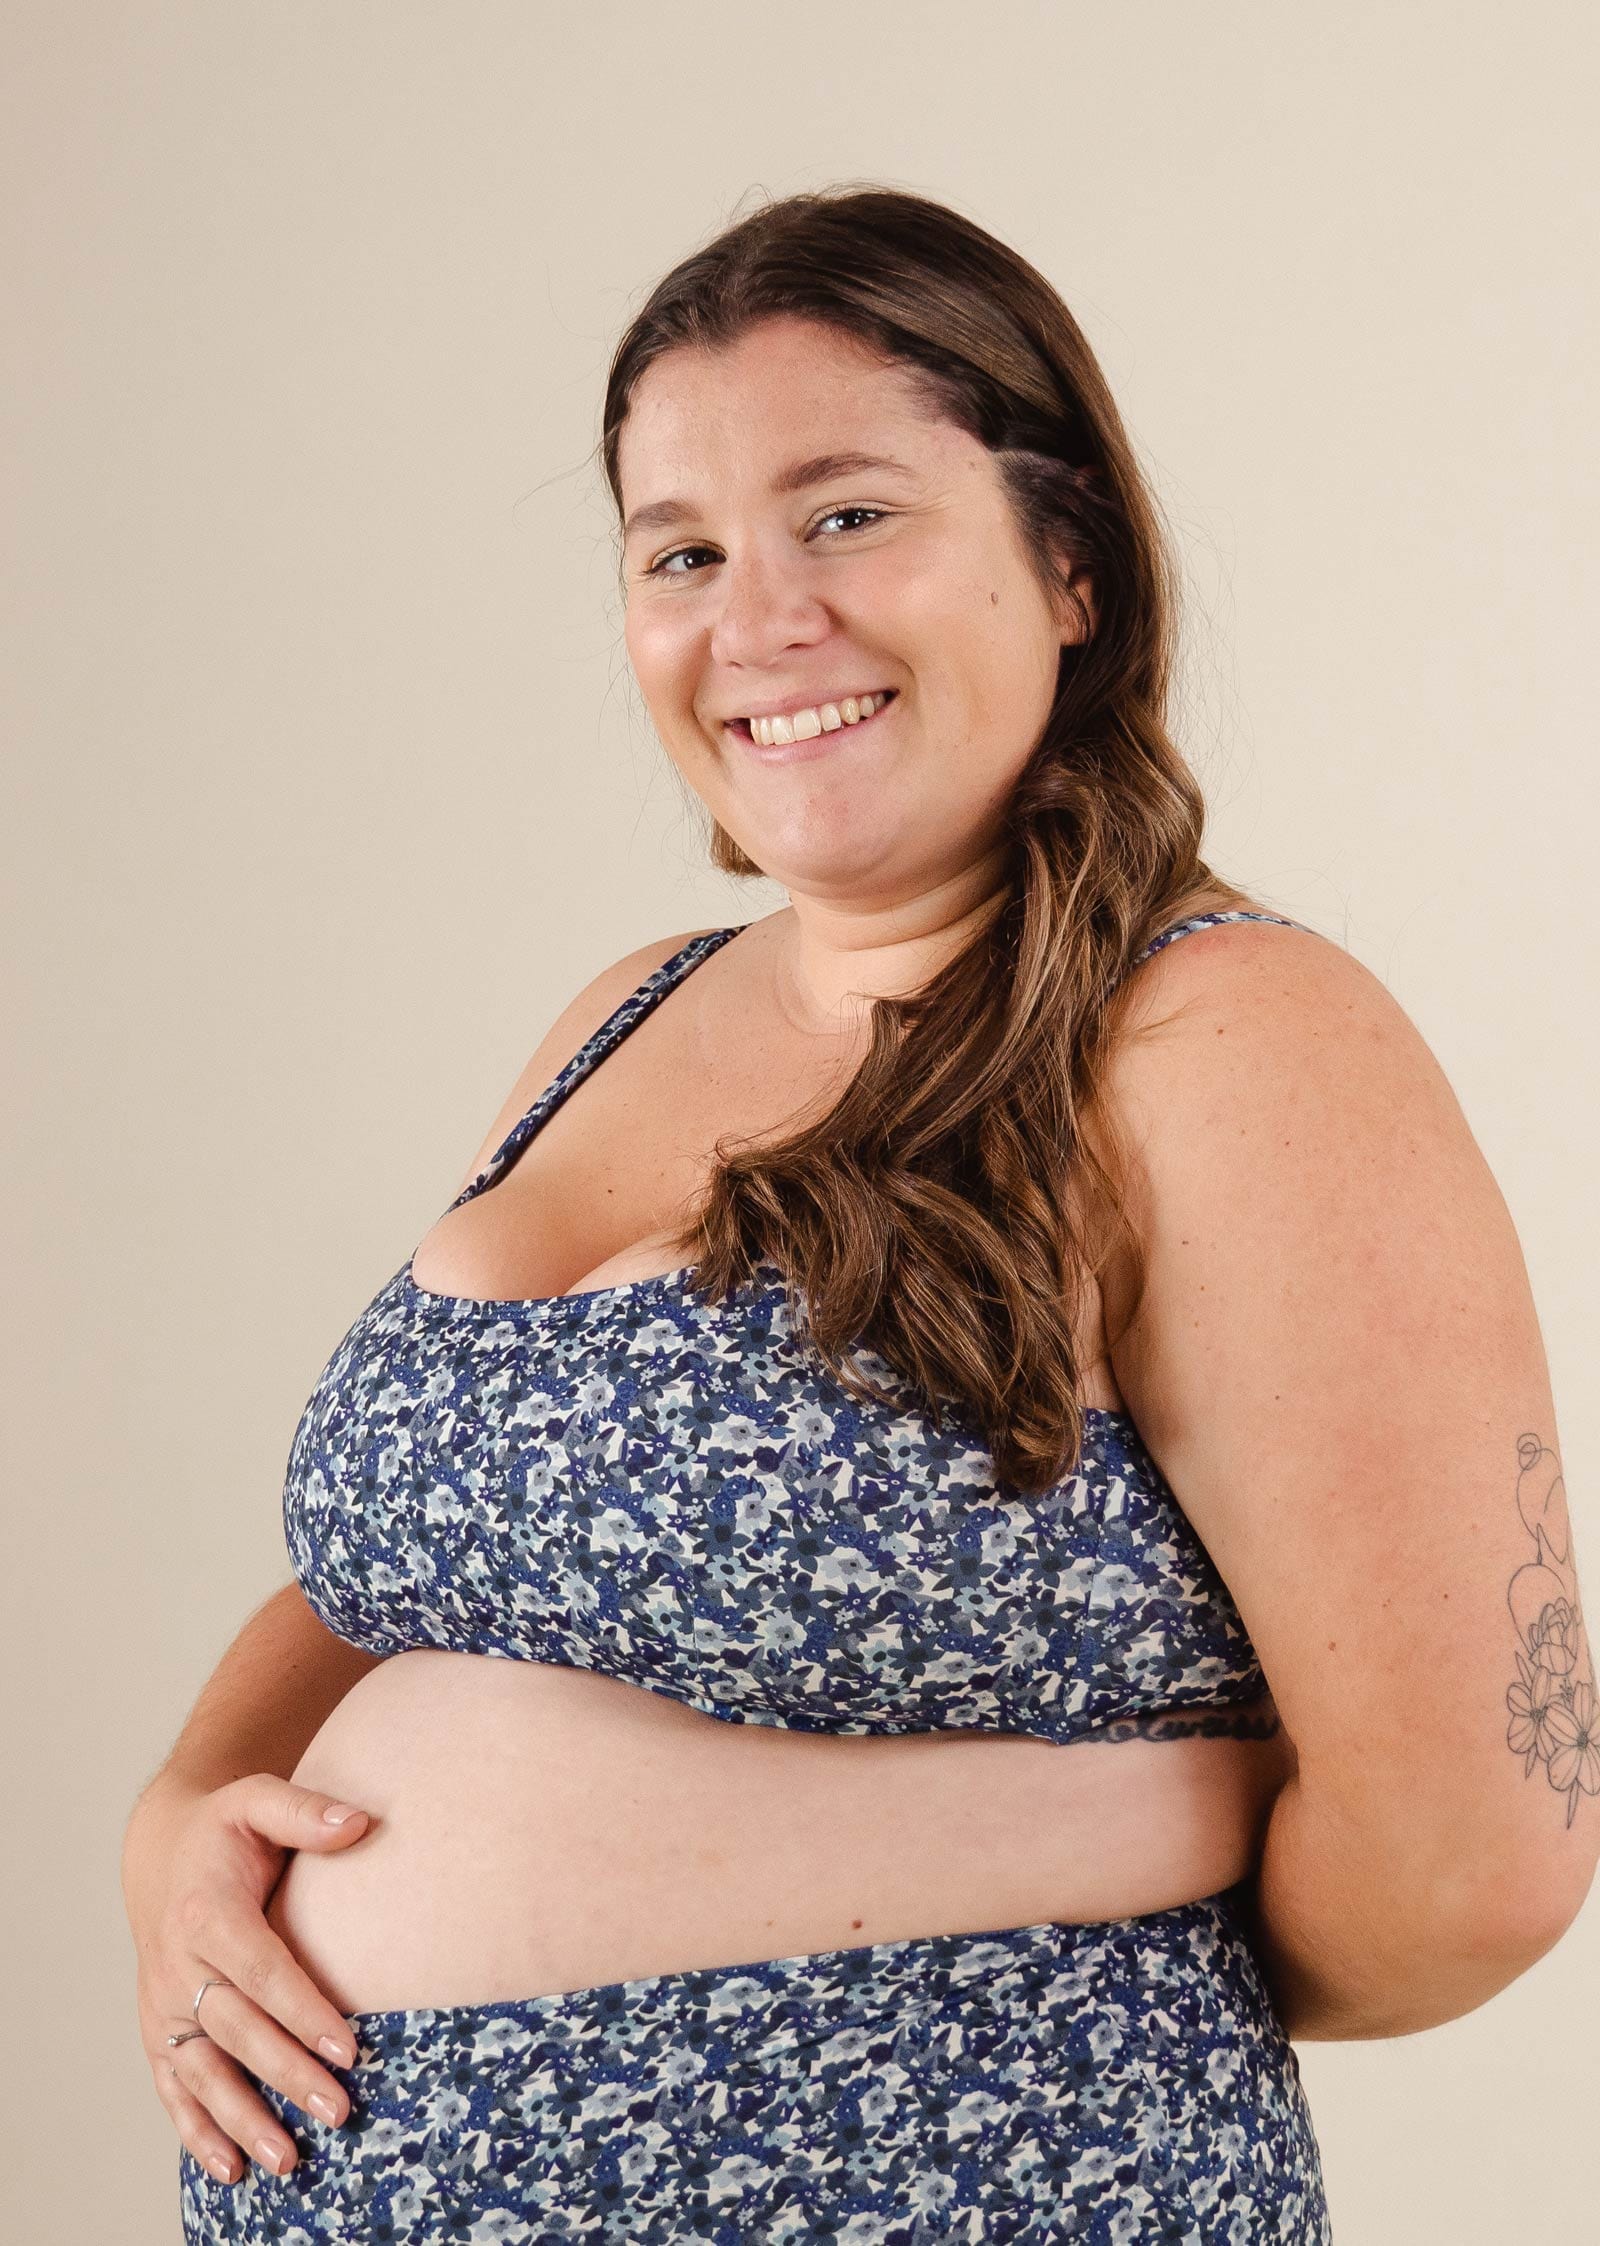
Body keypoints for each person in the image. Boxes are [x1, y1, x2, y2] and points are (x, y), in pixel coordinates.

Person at [122, 185, 1597, 2242]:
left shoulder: (1224, 1042)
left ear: (1064, 561)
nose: (756, 619)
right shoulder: (624, 1012)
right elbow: (414, 1574)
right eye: (682, 552)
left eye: (842, 517)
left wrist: (938, 1915)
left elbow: (1472, 1861)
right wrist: (183, 1809)